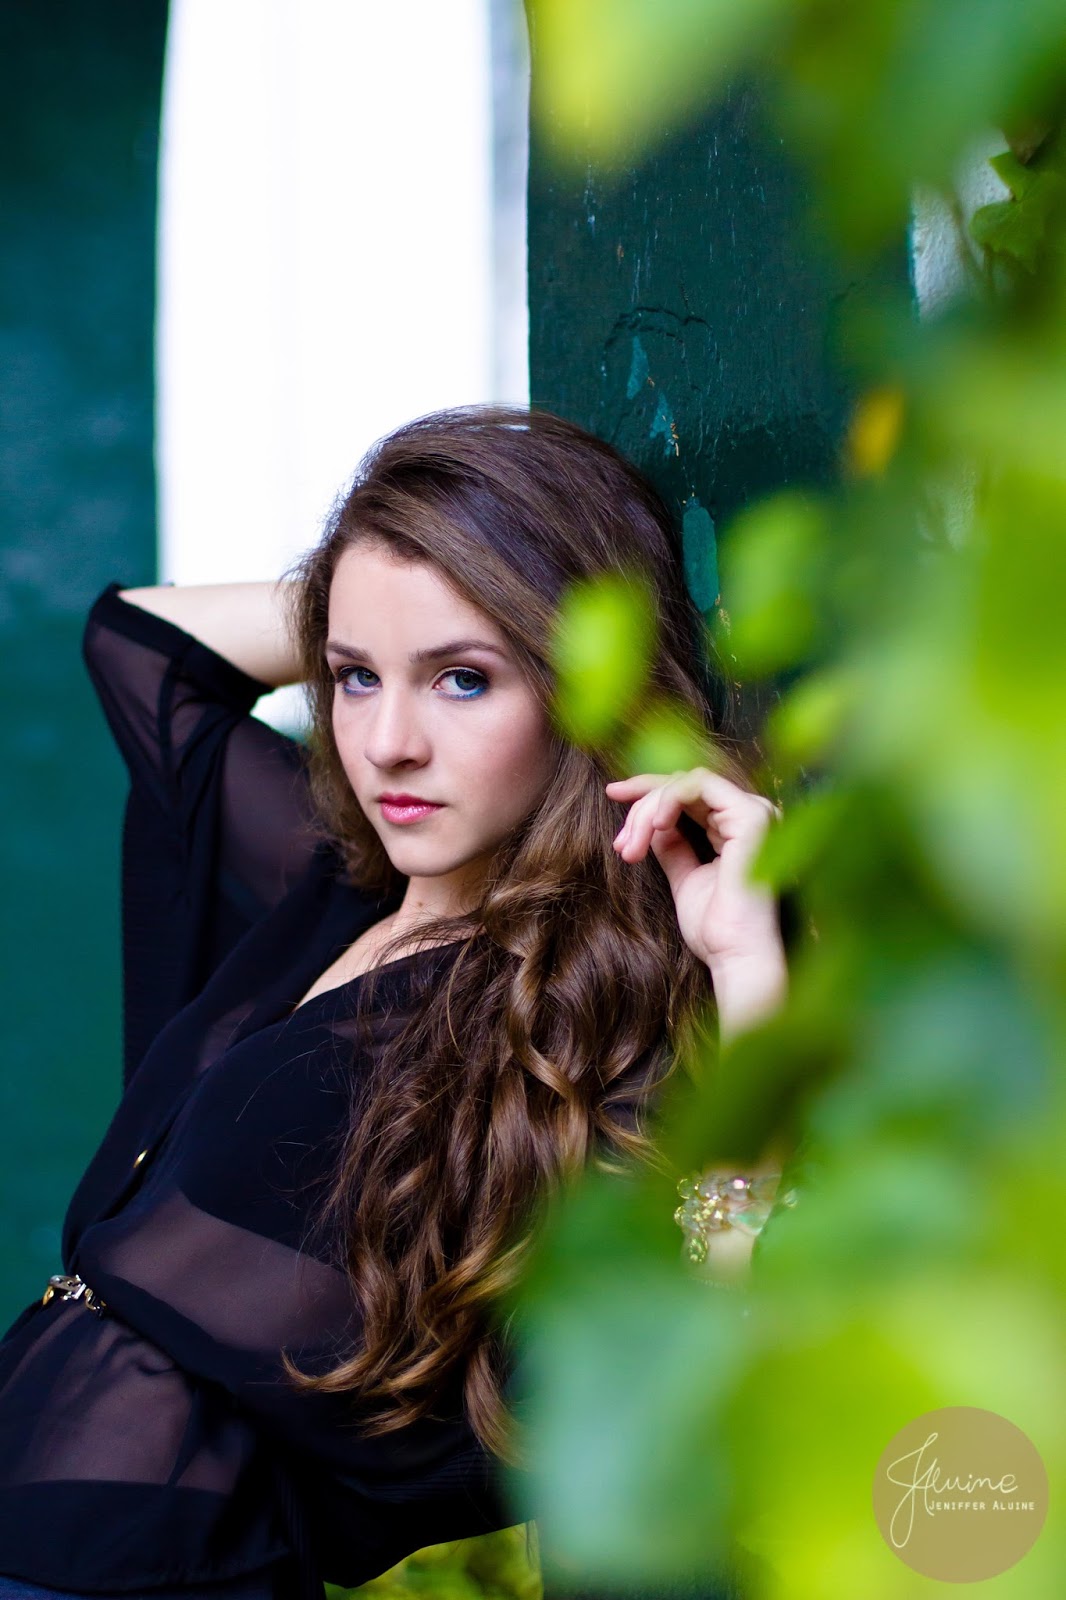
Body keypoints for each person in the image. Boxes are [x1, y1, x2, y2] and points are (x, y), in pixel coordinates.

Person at [0, 404, 789, 1600]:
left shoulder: (584, 1000)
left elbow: (701, 1357)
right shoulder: (334, 881)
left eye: (463, 679)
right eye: (354, 677)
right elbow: (143, 644)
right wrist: (369, 593)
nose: (387, 744)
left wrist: (746, 968)